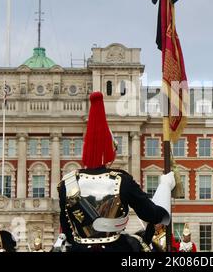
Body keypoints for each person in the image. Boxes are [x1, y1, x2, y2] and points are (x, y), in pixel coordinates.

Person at [57, 91, 175, 252]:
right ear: (109, 152)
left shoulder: (67, 183)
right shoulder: (122, 180)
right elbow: (151, 214)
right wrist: (165, 188)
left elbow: (66, 227)